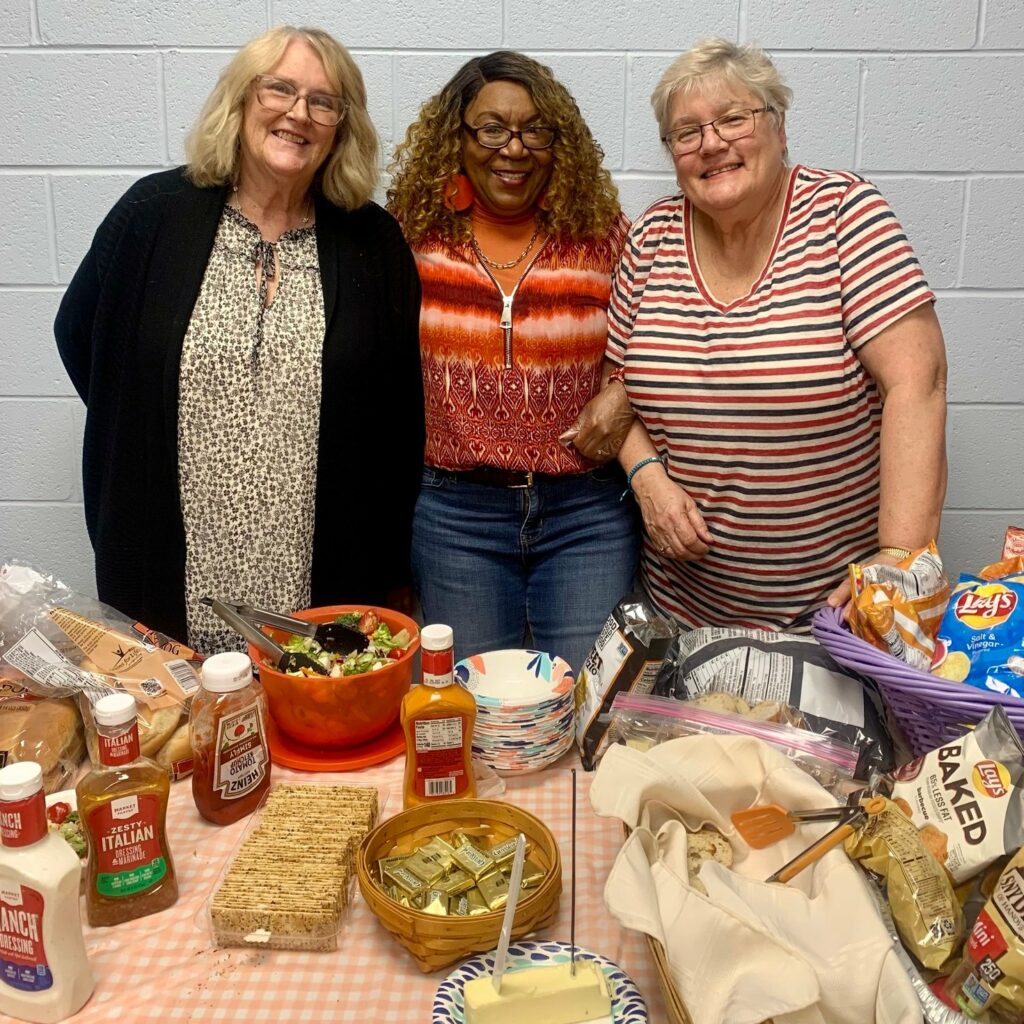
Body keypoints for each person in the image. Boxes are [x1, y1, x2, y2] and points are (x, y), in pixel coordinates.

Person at [55, 26, 424, 654]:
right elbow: (81, 336)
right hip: (168, 567)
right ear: (242, 99)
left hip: (323, 578)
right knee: (178, 743)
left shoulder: (373, 243)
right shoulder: (151, 216)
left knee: (317, 734)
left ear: (342, 126)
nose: (297, 113)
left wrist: (392, 568)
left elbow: (396, 416)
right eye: (279, 89)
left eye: (322, 101)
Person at [584, 38, 947, 634]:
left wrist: (895, 563)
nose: (712, 143)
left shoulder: (844, 216)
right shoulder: (651, 235)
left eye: (733, 119)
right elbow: (614, 384)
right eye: (687, 132)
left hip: (833, 617)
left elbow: (919, 384)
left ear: (779, 128)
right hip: (680, 613)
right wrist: (645, 475)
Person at [387, 51, 639, 673]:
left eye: (534, 130)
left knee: (585, 708)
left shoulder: (603, 234)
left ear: (561, 143)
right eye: (491, 129)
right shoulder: (411, 233)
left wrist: (625, 389)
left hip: (586, 512)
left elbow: (657, 337)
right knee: (474, 714)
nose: (513, 148)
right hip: (454, 517)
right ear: (458, 137)